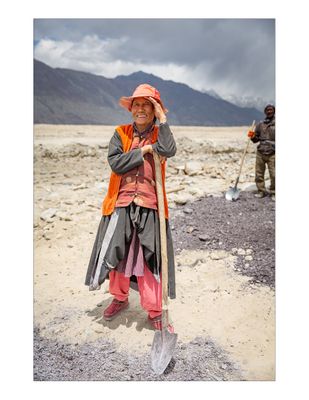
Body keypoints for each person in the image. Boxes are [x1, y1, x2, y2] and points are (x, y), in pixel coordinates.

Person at [85, 84, 177, 331]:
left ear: (154, 109)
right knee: (118, 254)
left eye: (146, 104)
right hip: (122, 202)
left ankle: (155, 310)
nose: (140, 109)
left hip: (150, 204)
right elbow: (116, 163)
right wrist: (144, 150)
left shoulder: (160, 134)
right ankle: (120, 298)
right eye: (136, 105)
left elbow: (169, 150)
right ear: (131, 110)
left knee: (151, 258)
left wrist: (163, 119)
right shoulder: (120, 133)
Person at [248, 104, 275, 200]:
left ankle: (274, 192)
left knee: (274, 174)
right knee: (259, 173)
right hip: (261, 152)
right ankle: (261, 191)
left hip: (273, 153)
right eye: (267, 110)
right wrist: (252, 136)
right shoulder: (260, 124)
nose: (269, 111)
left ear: (274, 111)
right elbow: (256, 140)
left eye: (271, 110)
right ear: (265, 112)